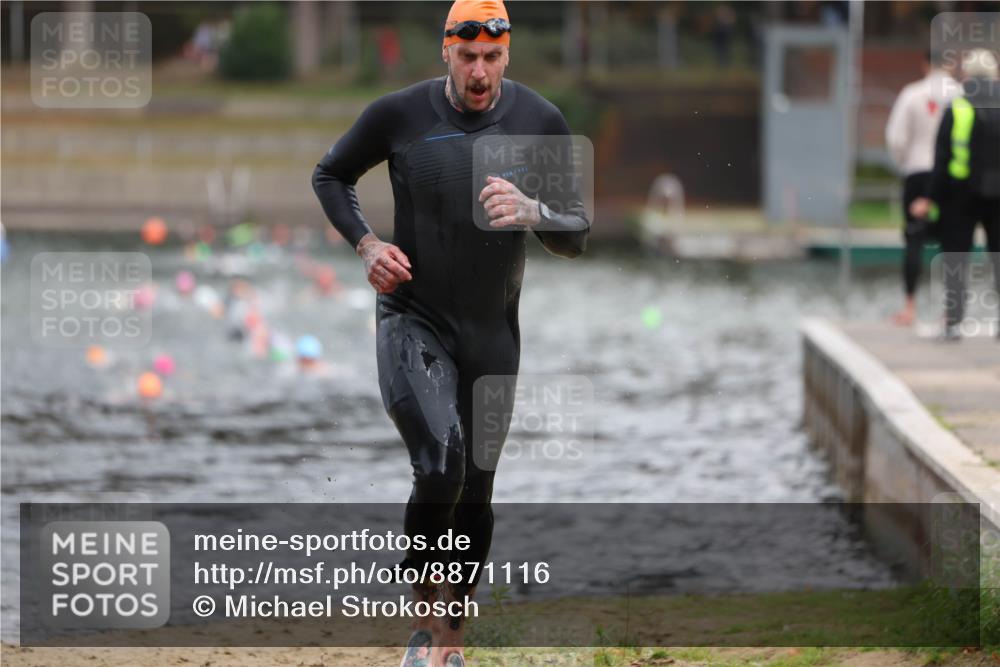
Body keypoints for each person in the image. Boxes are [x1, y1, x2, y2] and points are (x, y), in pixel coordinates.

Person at [311, 1, 590, 664]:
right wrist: (366, 245)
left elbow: (576, 235)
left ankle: (450, 645)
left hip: (493, 332)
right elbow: (331, 174)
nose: (479, 71)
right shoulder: (400, 115)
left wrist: (532, 209)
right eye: (467, 57)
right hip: (414, 319)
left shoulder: (538, 122)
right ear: (446, 52)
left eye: (492, 58)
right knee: (441, 459)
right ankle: (423, 621)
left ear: (507, 55)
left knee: (479, 487)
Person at [911, 48, 1000, 340]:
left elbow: (942, 158)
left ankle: (953, 324)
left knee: (956, 261)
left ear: (967, 76)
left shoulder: (958, 106)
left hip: (959, 195)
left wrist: (929, 197)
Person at [884, 50, 958, 326]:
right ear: (950, 64)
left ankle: (910, 307)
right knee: (953, 243)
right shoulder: (960, 94)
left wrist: (905, 162)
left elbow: (896, 138)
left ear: (924, 64)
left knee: (914, 240)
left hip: (917, 172)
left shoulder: (911, 94)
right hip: (951, 176)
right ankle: (950, 310)